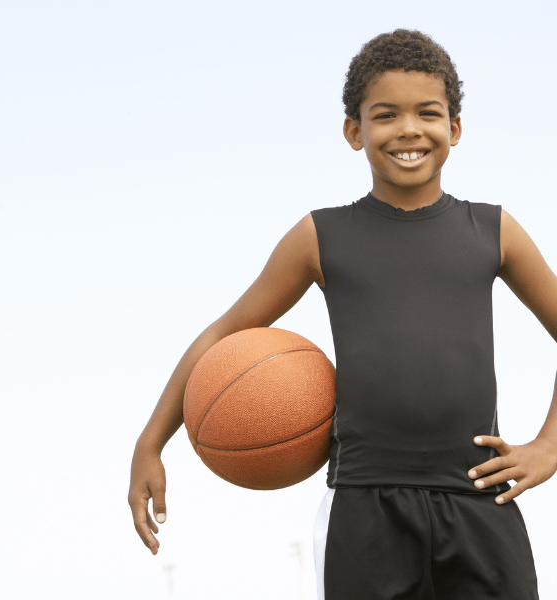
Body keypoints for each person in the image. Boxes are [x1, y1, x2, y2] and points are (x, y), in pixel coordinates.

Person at [128, 29, 557, 599]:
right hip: (364, 504)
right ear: (355, 132)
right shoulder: (321, 237)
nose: (409, 130)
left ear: (454, 128)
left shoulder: (493, 231)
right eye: (385, 115)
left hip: (480, 499)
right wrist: (152, 442)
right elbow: (223, 335)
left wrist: (549, 445)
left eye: (428, 113)